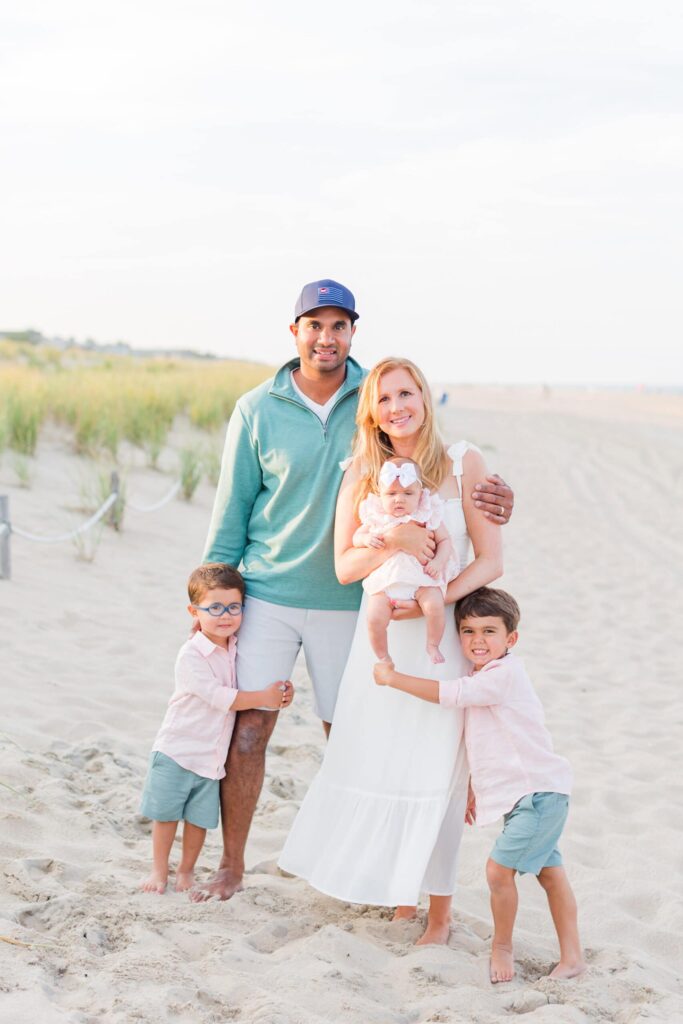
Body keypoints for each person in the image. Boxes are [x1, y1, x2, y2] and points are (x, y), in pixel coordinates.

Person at [194, 280, 515, 903]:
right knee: (251, 728)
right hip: (269, 592)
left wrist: (501, 497)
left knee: (351, 735)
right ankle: (231, 865)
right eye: (314, 325)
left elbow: (442, 470)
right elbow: (231, 508)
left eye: (338, 326)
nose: (326, 337)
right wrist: (212, 598)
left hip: (354, 606)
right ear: (295, 333)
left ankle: (370, 874)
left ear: (351, 333)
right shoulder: (256, 409)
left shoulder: (376, 393)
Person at [278, 357, 505, 945]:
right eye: (383, 399)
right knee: (385, 760)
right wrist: (392, 544)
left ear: (425, 398)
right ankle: (399, 893)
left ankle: (440, 913)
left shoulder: (464, 463)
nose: (397, 406)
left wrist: (434, 597)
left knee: (440, 769)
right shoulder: (360, 472)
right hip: (381, 645)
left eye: (406, 393)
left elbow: (490, 558)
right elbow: (344, 564)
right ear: (372, 412)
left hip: (440, 638)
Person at [374, 587, 585, 982]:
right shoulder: (484, 674)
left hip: (537, 795)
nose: (477, 641)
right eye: (468, 631)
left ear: (511, 639)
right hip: (532, 795)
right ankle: (572, 957)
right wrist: (474, 785)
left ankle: (502, 947)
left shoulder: (503, 674)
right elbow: (485, 737)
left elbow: (451, 696)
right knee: (551, 875)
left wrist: (392, 678)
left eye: (489, 631)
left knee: (496, 872)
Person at [140, 563, 293, 895]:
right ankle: (158, 871)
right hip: (178, 751)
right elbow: (220, 697)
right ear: (194, 611)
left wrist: (278, 693)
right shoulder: (191, 654)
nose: (226, 616)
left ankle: (186, 872)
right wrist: (262, 696)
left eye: (234, 607)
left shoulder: (236, 646)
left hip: (211, 758)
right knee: (166, 816)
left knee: (198, 821)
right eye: (215, 608)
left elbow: (252, 682)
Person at [353, 454, 458, 663]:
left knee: (435, 605)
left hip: (421, 579)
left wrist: (438, 562)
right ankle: (383, 656)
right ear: (380, 495)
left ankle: (432, 644)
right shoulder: (377, 517)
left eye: (408, 493)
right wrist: (365, 538)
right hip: (386, 581)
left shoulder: (426, 515)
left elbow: (445, 541)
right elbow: (356, 537)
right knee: (374, 617)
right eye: (391, 493)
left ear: (420, 495)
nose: (399, 499)